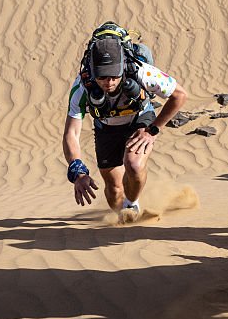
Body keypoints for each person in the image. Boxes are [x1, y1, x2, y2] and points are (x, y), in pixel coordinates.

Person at [64, 27, 187, 221]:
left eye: (114, 76)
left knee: (134, 164)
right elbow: (71, 133)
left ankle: (133, 205)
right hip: (106, 128)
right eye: (102, 77)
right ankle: (124, 210)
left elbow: (179, 95)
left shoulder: (140, 70)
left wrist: (153, 130)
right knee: (113, 193)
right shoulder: (82, 86)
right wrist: (77, 171)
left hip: (139, 119)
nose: (109, 82)